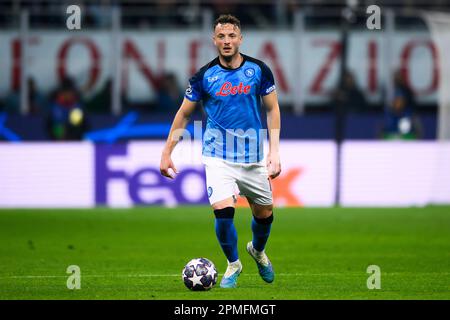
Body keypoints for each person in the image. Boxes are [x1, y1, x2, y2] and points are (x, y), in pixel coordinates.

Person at [160, 14, 281, 288]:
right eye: (221, 36)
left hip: (253, 158)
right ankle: (233, 264)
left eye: (231, 36)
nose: (226, 41)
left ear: (240, 39)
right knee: (223, 213)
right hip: (218, 156)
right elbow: (183, 115)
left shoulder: (259, 70)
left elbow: (272, 109)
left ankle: (258, 252)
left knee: (265, 215)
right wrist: (167, 152)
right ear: (214, 40)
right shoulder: (204, 77)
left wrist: (274, 151)